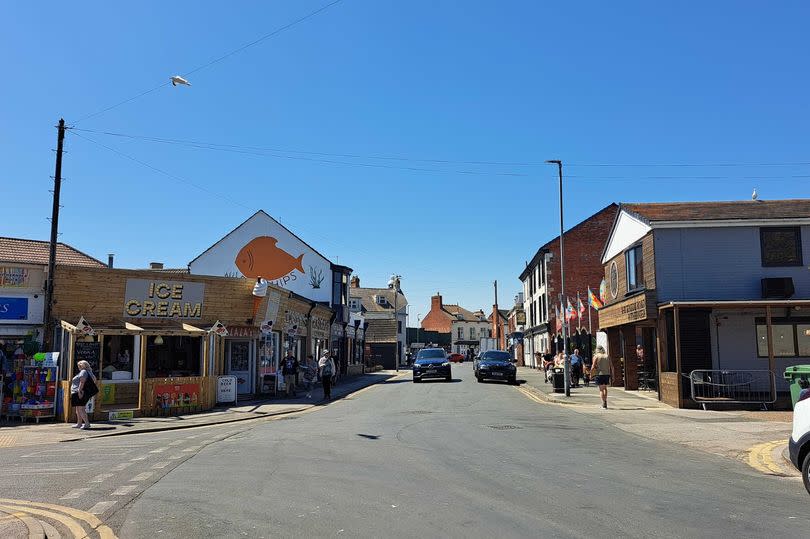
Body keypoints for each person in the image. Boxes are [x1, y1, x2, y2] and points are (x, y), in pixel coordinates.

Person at [70, 360, 97, 429]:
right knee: (78, 409)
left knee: (81, 408)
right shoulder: (89, 372)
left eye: (79, 365)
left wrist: (79, 391)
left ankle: (87, 423)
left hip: (79, 392)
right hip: (79, 392)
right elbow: (94, 380)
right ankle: (79, 423)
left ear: (83, 366)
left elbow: (82, 382)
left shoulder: (83, 371)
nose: (78, 366)